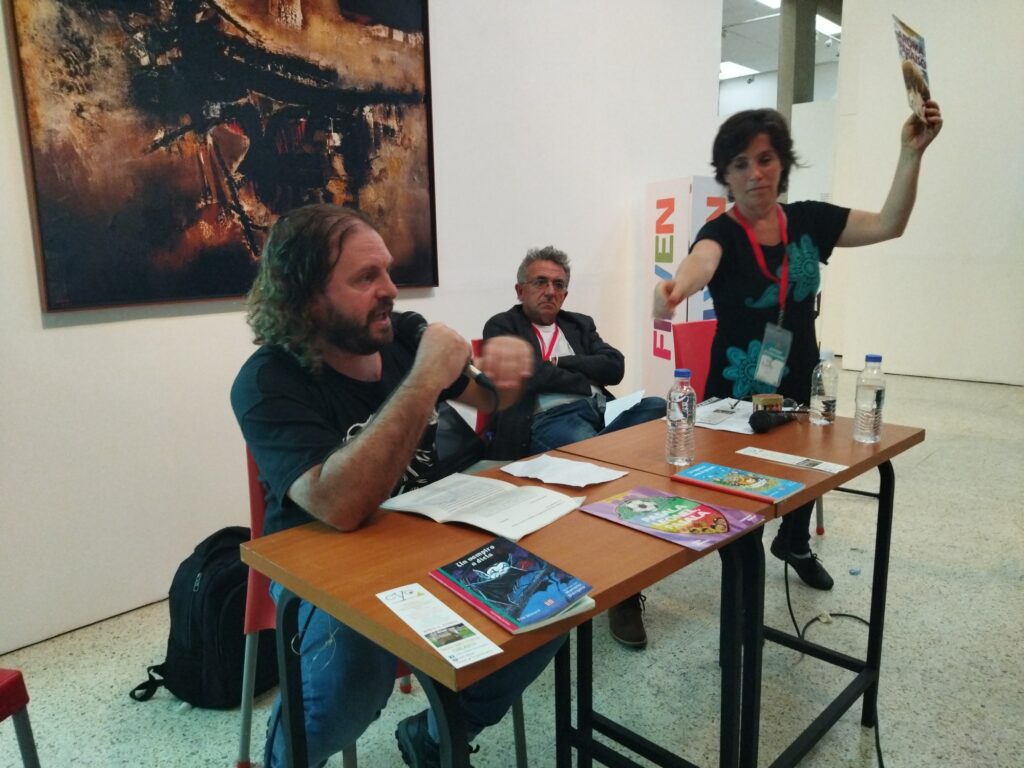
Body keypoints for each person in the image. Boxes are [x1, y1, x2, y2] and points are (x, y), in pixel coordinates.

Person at [230, 204, 564, 768]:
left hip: (427, 538)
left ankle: (436, 737)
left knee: (550, 601)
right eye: (366, 277)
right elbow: (339, 506)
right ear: (306, 297)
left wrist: (510, 370)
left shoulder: (401, 335)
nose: (390, 289)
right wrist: (425, 378)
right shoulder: (268, 381)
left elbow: (488, 396)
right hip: (323, 565)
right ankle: (287, 757)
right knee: (354, 672)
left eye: (386, 270)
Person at [655, 102, 942, 590]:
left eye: (765, 159)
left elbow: (889, 223)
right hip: (736, 389)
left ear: (782, 163)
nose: (755, 173)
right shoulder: (720, 233)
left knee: (806, 469)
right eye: (741, 164)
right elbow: (701, 261)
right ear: (726, 175)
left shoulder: (809, 220)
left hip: (800, 377)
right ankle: (743, 581)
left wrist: (911, 153)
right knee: (740, 497)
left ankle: (794, 542)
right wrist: (675, 287)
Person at [483, 246, 666, 648]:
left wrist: (560, 366)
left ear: (565, 293)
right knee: (607, 470)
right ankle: (625, 591)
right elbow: (526, 375)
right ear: (520, 289)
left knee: (658, 407)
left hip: (600, 411)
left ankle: (616, 470)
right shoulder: (502, 325)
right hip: (547, 419)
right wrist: (583, 375)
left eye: (558, 285)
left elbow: (615, 366)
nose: (550, 291)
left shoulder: (579, 323)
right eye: (540, 282)